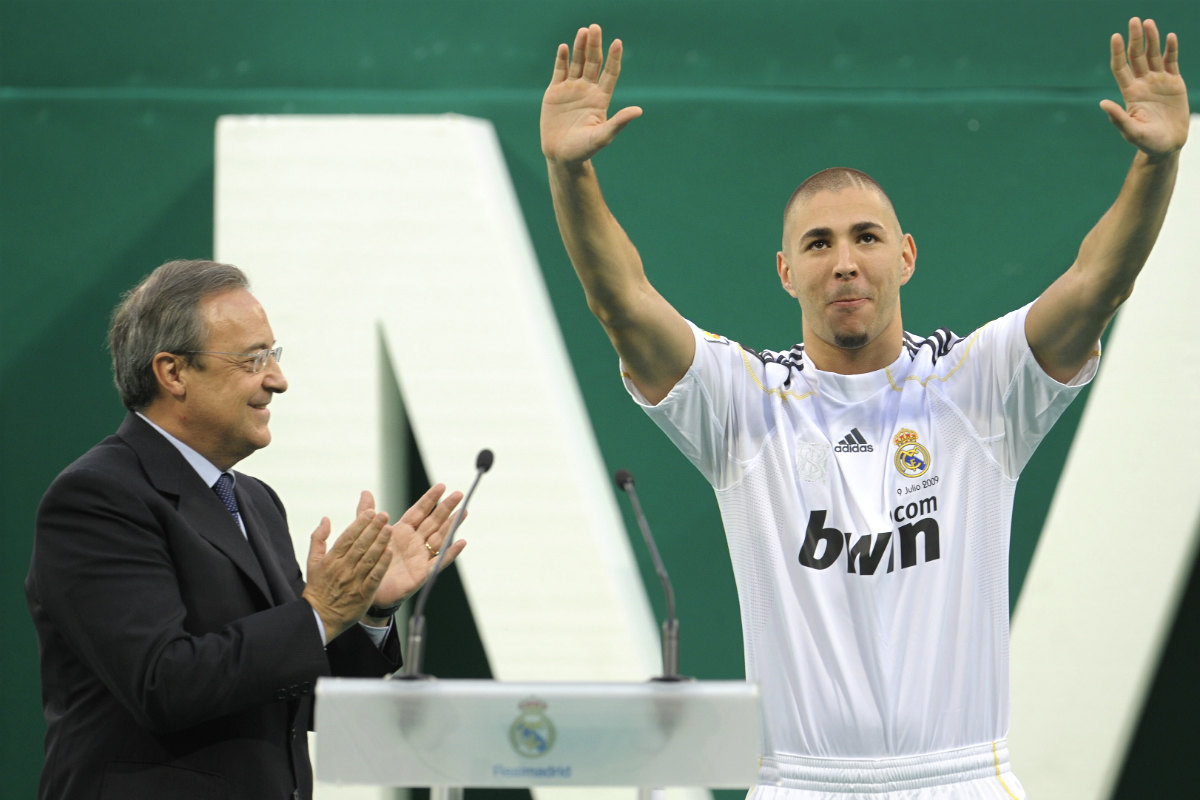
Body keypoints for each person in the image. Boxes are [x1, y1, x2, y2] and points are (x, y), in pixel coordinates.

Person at [540, 18, 1187, 800]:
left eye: (866, 237)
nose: (845, 262)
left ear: (905, 254)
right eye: (817, 244)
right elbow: (623, 305)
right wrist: (569, 175)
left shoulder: (978, 388)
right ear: (785, 271)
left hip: (960, 779)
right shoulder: (745, 407)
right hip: (799, 783)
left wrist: (1158, 162)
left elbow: (1097, 286)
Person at [25, 259, 468, 800]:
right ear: (174, 373)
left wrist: (367, 610)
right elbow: (164, 683)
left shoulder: (255, 502)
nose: (277, 380)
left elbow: (296, 697)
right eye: (253, 358)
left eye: (273, 355)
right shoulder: (98, 497)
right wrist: (319, 614)